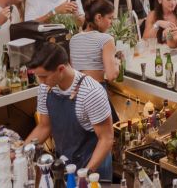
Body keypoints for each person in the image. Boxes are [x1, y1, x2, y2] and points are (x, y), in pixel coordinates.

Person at [23, 43, 113, 179]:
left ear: (61, 69)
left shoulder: (91, 92)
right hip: (66, 166)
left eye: (44, 76)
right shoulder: (45, 88)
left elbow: (106, 139)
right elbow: (44, 126)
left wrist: (85, 175)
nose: (40, 82)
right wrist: (21, 153)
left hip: (94, 169)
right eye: (38, 76)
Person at [68, 0, 119, 83]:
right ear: (98, 17)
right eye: (110, 18)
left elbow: (74, 71)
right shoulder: (106, 39)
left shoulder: (73, 39)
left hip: (77, 90)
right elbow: (111, 75)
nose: (111, 22)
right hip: (96, 91)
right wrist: (116, 63)